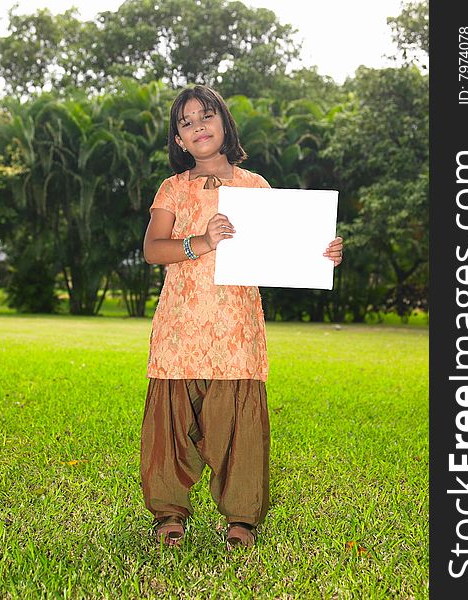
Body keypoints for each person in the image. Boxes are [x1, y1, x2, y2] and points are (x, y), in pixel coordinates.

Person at [140, 84, 343, 550]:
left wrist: (321, 254)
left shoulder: (255, 187)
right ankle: (169, 513)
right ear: (178, 140)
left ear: (223, 124)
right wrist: (203, 242)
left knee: (239, 424)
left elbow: (281, 251)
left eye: (205, 116)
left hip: (236, 327)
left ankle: (241, 518)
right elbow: (153, 250)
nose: (197, 127)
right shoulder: (172, 188)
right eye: (186, 123)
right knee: (173, 422)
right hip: (181, 324)